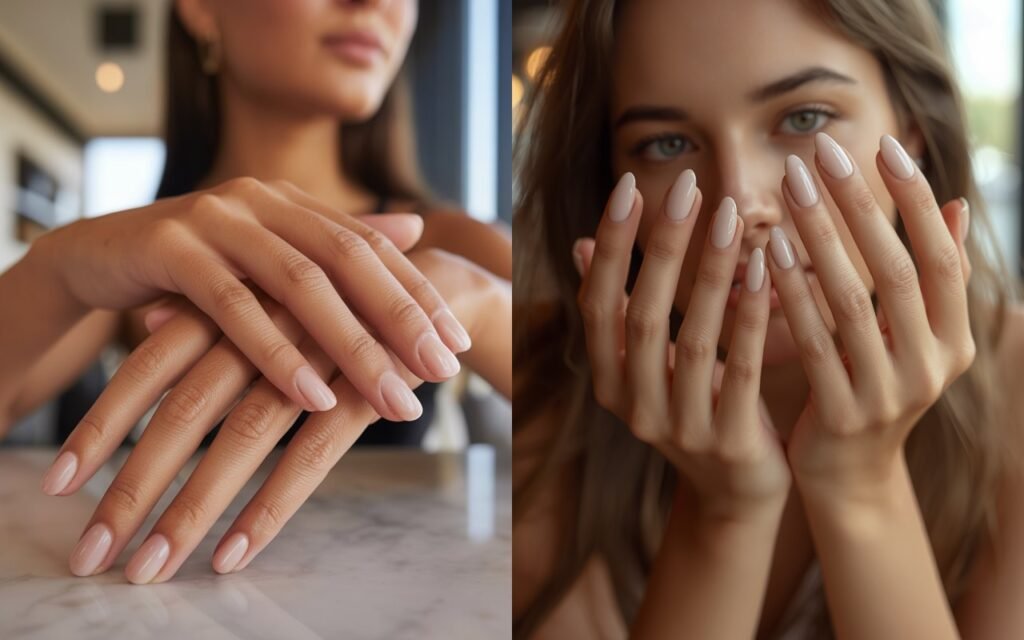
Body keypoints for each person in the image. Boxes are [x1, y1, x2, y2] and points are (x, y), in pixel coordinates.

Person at [513, 0, 1023, 637]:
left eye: (804, 118)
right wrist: (724, 511)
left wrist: (860, 485)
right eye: (667, 144)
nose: (741, 202)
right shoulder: (539, 399)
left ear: (912, 132)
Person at [0, 0, 510, 584]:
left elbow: (600, 427)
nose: (373, 3)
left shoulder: (453, 241)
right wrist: (55, 266)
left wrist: (481, 304)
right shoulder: (146, 258)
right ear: (200, 8)